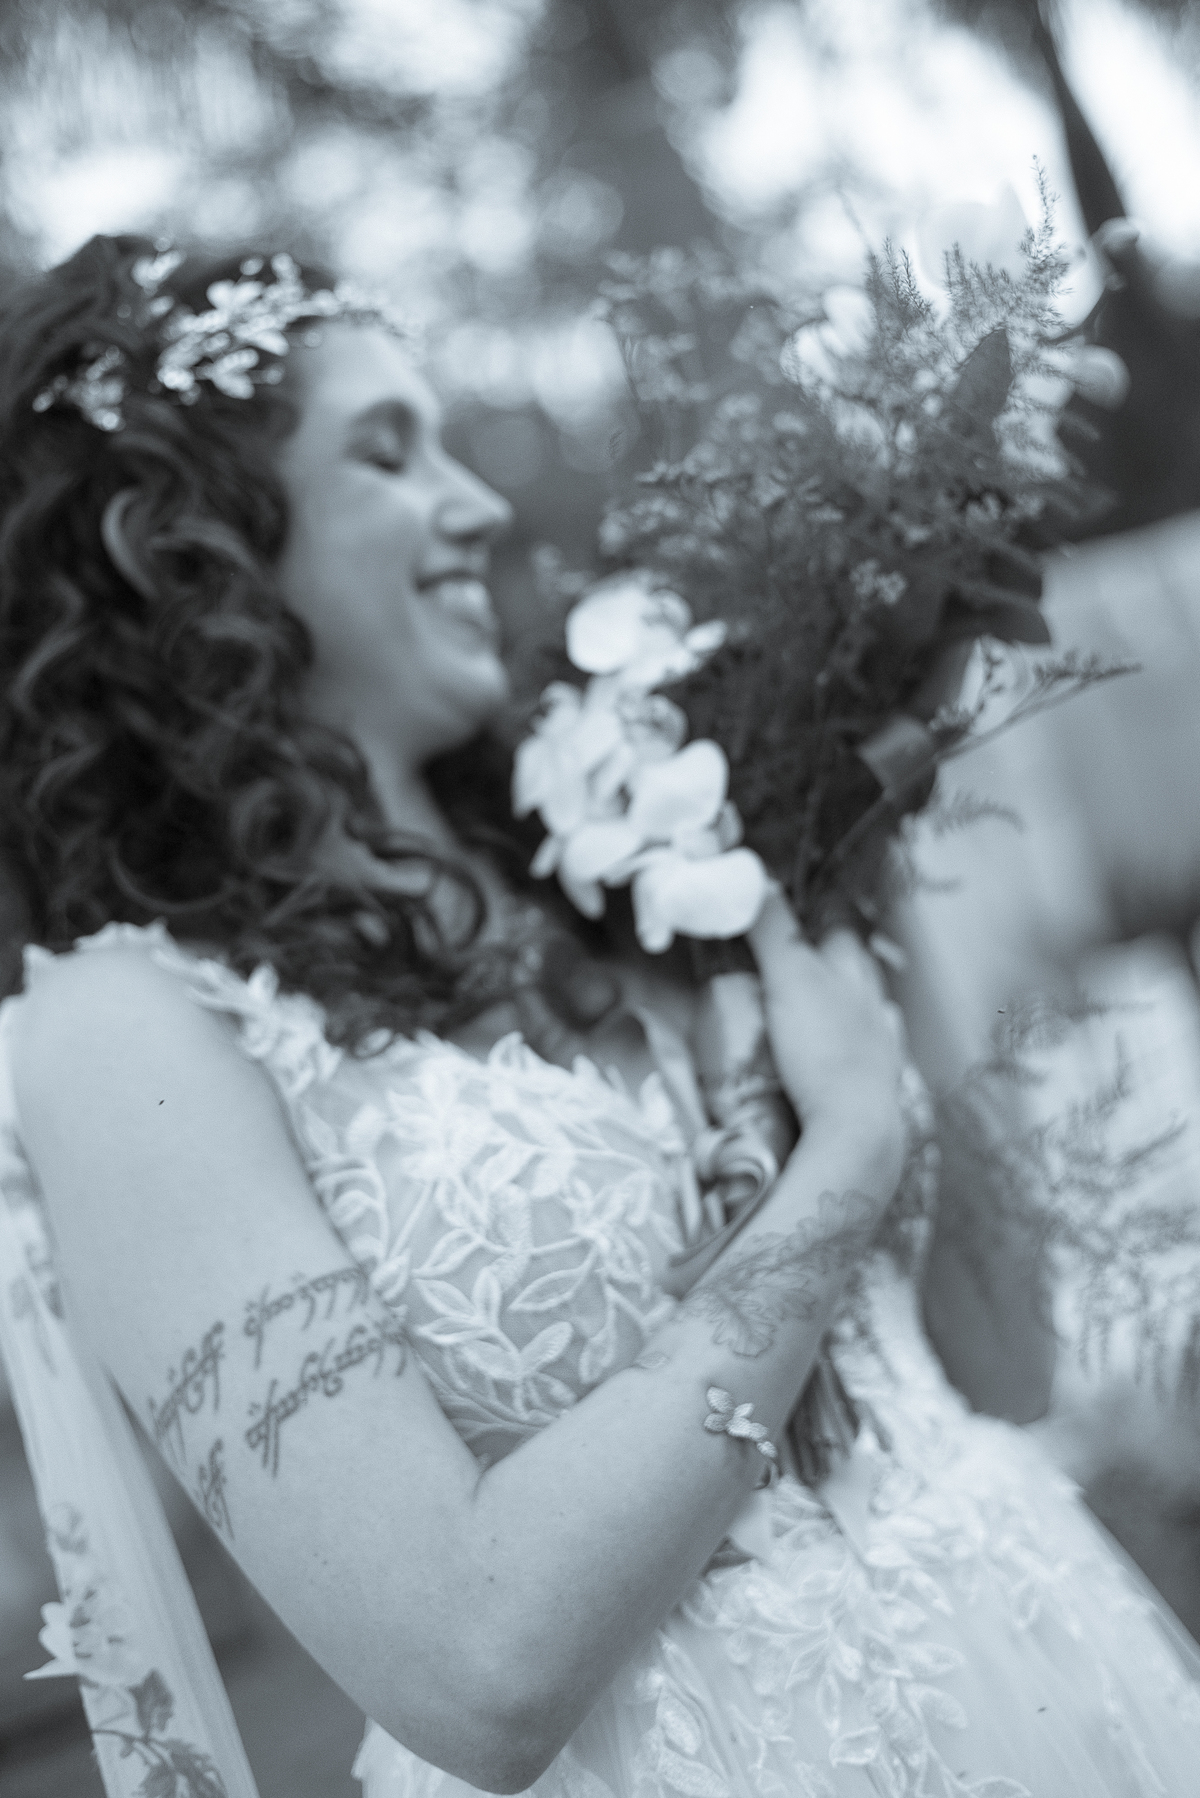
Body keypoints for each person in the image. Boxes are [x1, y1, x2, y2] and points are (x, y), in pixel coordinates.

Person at [0, 235, 1198, 1798]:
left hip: (1047, 1673)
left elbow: (1006, 1366)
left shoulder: (634, 846)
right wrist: (842, 1154)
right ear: (190, 545)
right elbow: (478, 1666)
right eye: (387, 451)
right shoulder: (123, 1031)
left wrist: (866, 892)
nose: (481, 507)